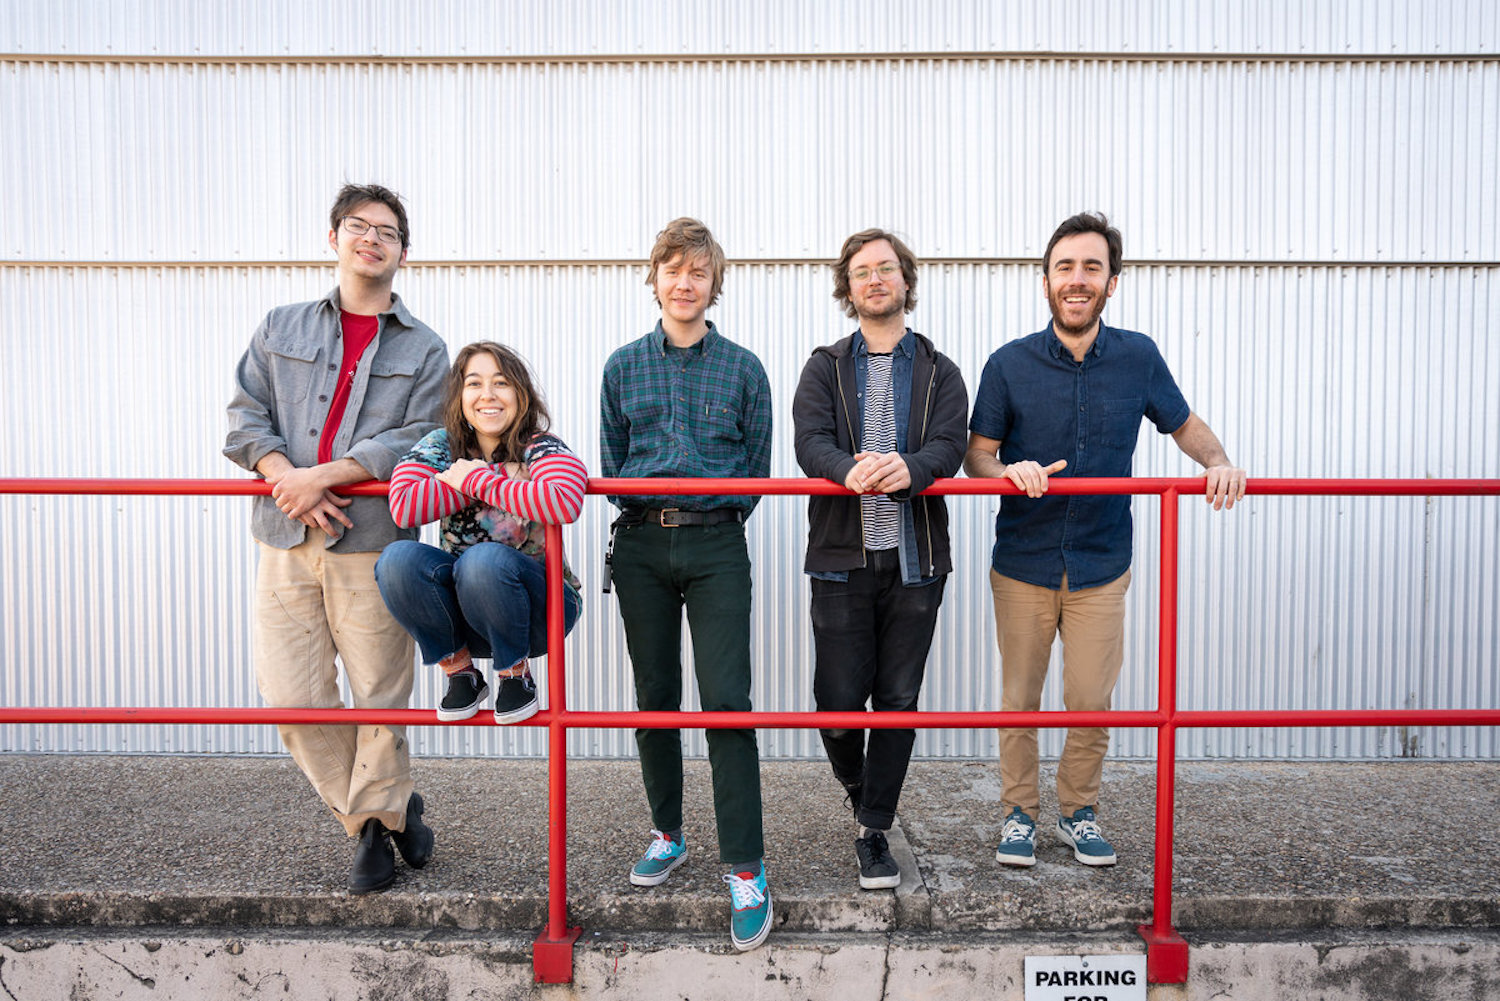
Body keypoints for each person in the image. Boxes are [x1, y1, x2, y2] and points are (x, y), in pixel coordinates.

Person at [965, 211, 1246, 868]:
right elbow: (977, 455)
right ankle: (1018, 814)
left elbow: (1183, 422)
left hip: (1102, 561)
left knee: (1091, 700)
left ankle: (1078, 812)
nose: (1078, 279)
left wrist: (1219, 462)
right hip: (1024, 562)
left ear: (1111, 282)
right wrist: (1008, 471)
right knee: (1020, 700)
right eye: (1065, 267)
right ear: (1045, 281)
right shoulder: (1008, 363)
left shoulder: (1138, 356)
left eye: (1092, 267)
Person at [224, 183, 450, 893]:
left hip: (375, 541)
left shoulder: (425, 348)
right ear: (334, 237)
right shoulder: (281, 326)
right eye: (359, 225)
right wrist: (286, 479)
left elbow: (421, 436)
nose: (371, 239)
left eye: (387, 232)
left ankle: (375, 833)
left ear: (404, 252)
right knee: (291, 695)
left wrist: (322, 476)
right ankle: (384, 812)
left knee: (380, 691)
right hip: (284, 536)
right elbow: (245, 416)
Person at [599, 218, 774, 951]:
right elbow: (613, 458)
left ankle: (747, 867)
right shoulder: (622, 367)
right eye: (673, 269)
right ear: (655, 279)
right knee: (655, 697)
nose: (684, 282)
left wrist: (711, 517)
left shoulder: (744, 369)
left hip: (716, 543)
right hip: (641, 542)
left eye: (698, 271)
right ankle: (668, 833)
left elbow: (757, 467)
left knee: (727, 701)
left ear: (713, 284)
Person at [792, 229, 968, 890]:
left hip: (916, 561)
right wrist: (847, 471)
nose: (875, 279)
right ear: (849, 286)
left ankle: (873, 828)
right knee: (837, 702)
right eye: (862, 271)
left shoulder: (941, 370)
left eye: (886, 268)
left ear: (905, 280)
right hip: (842, 557)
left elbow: (950, 444)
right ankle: (861, 791)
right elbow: (809, 441)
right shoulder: (825, 366)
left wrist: (912, 469)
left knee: (897, 698)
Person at [375, 342, 586, 724]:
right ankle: (460, 672)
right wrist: (500, 479)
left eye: (501, 383)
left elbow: (564, 500)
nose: (487, 394)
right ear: (460, 397)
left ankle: (515, 676)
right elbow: (404, 506)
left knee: (483, 559)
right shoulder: (441, 445)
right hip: (463, 611)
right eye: (474, 383)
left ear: (521, 394)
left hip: (542, 610)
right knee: (397, 558)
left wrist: (473, 479)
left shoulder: (540, 446)